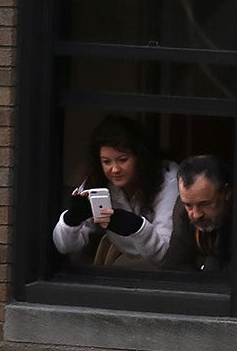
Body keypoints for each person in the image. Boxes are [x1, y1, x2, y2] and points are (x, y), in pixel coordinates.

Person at [52, 115, 179, 268]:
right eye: (106, 161)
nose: (115, 169)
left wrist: (136, 226)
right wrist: (72, 219)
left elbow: (165, 253)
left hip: (165, 272)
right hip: (122, 264)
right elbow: (65, 246)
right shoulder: (97, 181)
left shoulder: (167, 180)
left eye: (122, 159)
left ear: (140, 156)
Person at [166, 154, 232, 272]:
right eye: (188, 205)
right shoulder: (182, 212)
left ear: (226, 193)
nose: (196, 214)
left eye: (204, 204)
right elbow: (176, 265)